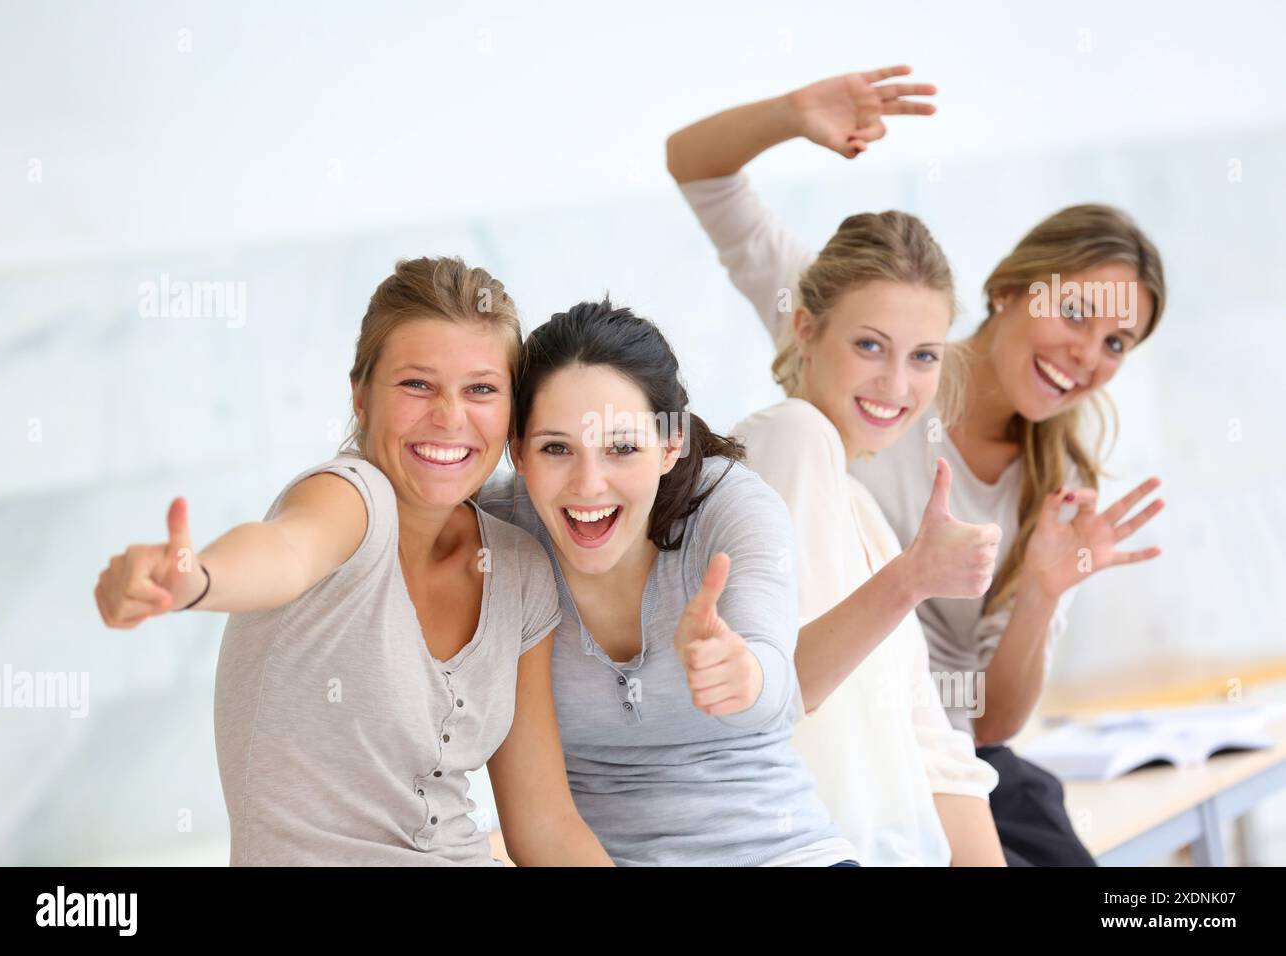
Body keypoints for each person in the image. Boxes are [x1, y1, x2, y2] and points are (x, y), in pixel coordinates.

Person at [669, 66, 1166, 866]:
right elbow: (698, 167)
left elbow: (979, 727)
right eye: (1076, 314)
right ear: (1009, 292)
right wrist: (792, 114)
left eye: (1117, 344)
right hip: (831, 758)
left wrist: (1041, 588)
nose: (1088, 355)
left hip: (942, 762)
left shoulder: (1057, 489)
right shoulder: (863, 321)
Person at [95, 256, 611, 866]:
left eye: (481, 390)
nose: (450, 416)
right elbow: (287, 550)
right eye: (417, 384)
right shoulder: (350, 501)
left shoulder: (520, 568)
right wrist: (199, 579)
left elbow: (546, 826)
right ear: (361, 396)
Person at [479, 299, 859, 866]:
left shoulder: (732, 506)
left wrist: (743, 675)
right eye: (556, 448)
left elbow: (776, 685)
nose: (588, 485)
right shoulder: (494, 531)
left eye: (623, 448)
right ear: (518, 452)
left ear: (670, 445)